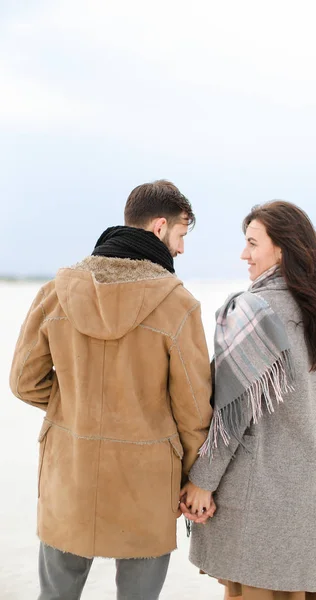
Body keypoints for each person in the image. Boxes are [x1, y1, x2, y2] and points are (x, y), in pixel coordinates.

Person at [9, 180, 212, 600]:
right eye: (181, 235)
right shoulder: (177, 304)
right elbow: (193, 409)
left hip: (71, 473)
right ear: (159, 228)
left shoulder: (56, 293)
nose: (182, 249)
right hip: (148, 485)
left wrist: (77, 406)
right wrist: (197, 480)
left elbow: (23, 380)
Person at [180, 201, 316, 600]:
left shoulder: (254, 311)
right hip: (313, 508)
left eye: (253, 244)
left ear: (283, 249)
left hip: (263, 509)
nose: (244, 254)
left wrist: (202, 482)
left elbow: (231, 416)